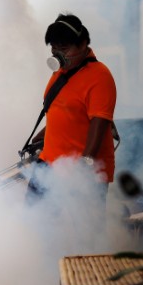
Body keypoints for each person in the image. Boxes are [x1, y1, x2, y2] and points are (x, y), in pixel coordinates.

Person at [27, 13, 117, 203]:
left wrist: (84, 167)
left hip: (81, 173)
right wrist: (43, 135)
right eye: (54, 48)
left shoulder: (99, 76)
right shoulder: (61, 72)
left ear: (83, 44)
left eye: (64, 48)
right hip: (48, 164)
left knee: (81, 230)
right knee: (34, 223)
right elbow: (63, 111)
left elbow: (99, 122)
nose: (58, 53)